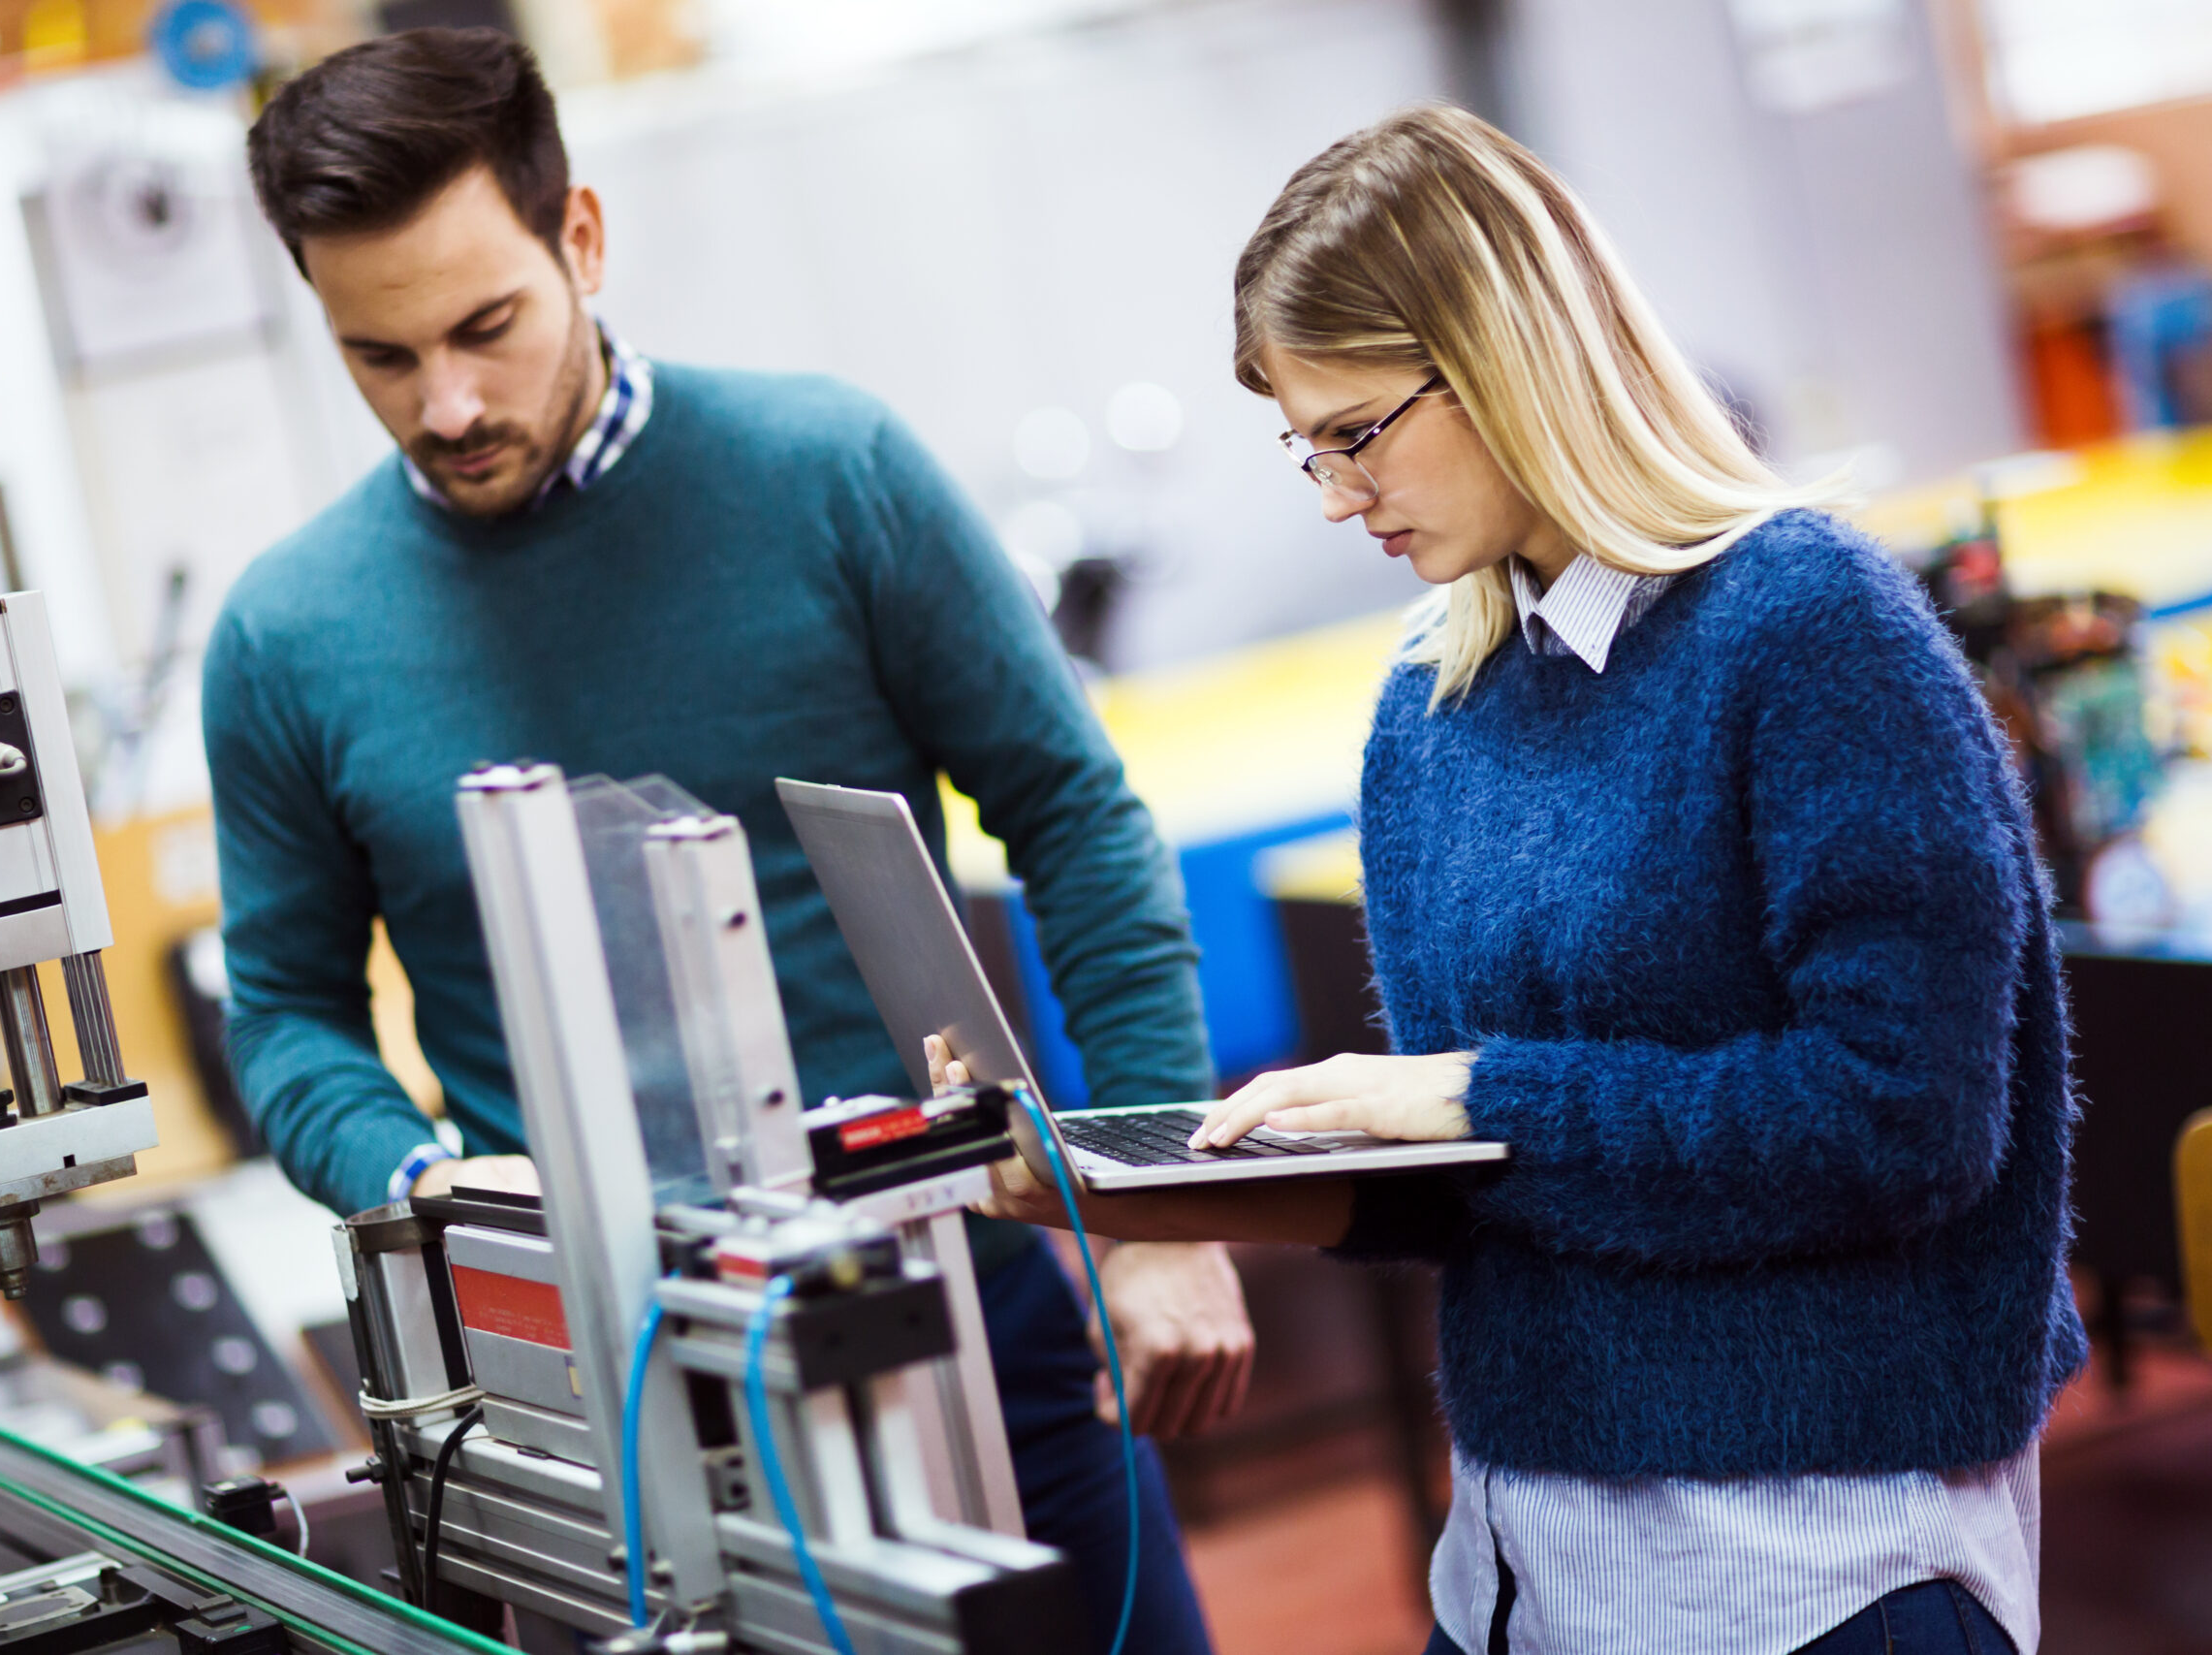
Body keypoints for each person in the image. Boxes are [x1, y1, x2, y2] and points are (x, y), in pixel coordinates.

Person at [979, 105, 2085, 1655]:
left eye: (1358, 432)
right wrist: (1171, 1197)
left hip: (1814, 1571)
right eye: (1304, 449)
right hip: (1520, 1568)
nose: (1334, 497)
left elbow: (1901, 1123)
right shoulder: (1431, 714)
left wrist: (1469, 1098)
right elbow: (1495, 1188)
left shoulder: (1811, 631)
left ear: (1505, 352)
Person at [209, 29, 1247, 1651]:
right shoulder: (285, 635)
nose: (449, 402)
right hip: (590, 1408)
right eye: (382, 358)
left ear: (584, 239)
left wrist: (1153, 1209)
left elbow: (1078, 817)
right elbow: (283, 1015)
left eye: (485, 326)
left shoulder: (828, 475)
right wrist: (426, 1180)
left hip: (968, 1327)